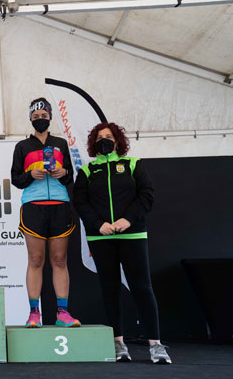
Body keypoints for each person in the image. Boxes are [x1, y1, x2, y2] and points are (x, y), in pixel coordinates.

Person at [73, 122, 172, 364]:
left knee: (142, 287)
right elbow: (80, 202)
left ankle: (155, 345)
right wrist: (99, 224)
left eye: (109, 136)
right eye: (99, 138)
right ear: (93, 143)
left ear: (117, 141)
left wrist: (128, 220)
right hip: (100, 237)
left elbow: (146, 195)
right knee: (110, 289)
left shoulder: (133, 164)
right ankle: (118, 342)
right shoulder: (87, 171)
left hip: (132, 234)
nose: (104, 140)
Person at [10, 97, 81, 329]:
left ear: (50, 117)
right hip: (33, 206)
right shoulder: (22, 146)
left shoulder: (61, 144)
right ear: (30, 118)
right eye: (36, 116)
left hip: (60, 205)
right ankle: (34, 313)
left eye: (44, 115)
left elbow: (72, 175)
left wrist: (63, 173)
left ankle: (63, 313)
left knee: (60, 260)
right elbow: (16, 179)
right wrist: (31, 175)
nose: (40, 119)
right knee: (35, 259)